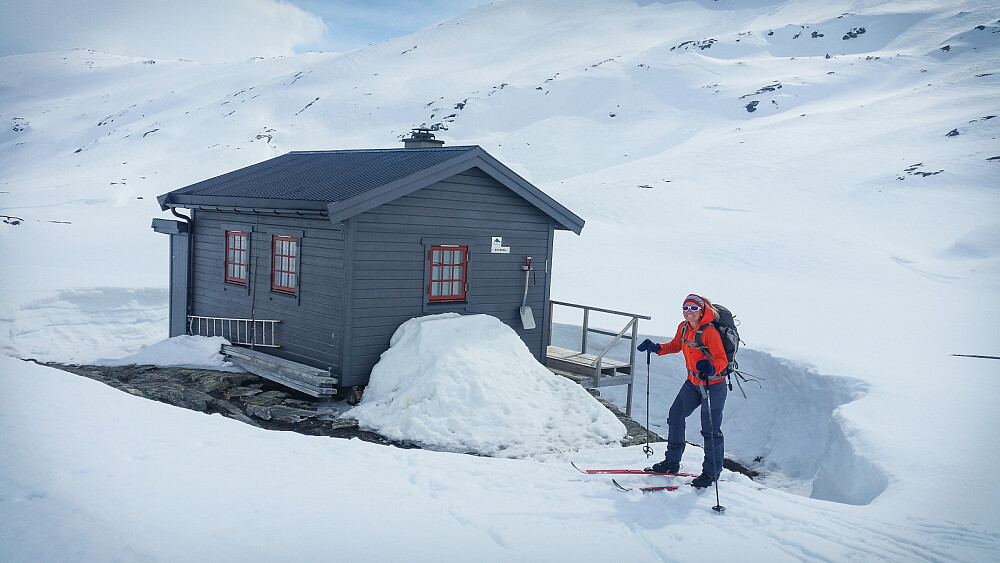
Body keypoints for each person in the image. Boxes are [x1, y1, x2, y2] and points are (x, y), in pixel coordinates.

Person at [637, 294, 729, 489]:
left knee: (710, 430)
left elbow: (722, 358)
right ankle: (672, 462)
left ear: (702, 310)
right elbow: (675, 346)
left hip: (713, 385)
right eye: (685, 308)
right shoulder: (684, 327)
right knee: (676, 416)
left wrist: (712, 368)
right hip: (693, 382)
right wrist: (655, 348)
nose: (688, 311)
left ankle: (711, 473)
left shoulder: (710, 332)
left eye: (693, 308)